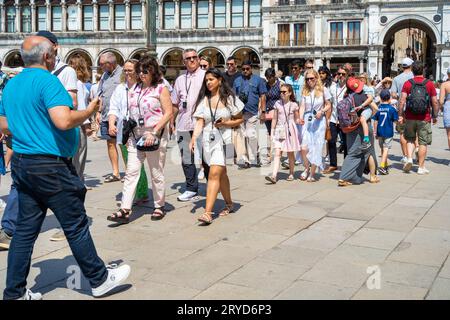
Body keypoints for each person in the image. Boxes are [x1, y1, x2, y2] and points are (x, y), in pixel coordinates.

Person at [0, 35, 130, 300]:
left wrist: (27, 131)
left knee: (24, 231)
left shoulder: (11, 85)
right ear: (48, 57)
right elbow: (64, 120)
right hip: (50, 166)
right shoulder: (49, 81)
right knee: (75, 224)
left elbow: (3, 124)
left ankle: (14, 293)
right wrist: (90, 110)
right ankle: (100, 279)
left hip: (24, 164)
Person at [108, 56, 173, 223]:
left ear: (153, 71)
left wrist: (155, 132)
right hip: (136, 135)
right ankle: (125, 208)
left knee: (156, 172)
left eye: (146, 70)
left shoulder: (160, 88)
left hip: (155, 134)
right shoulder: (134, 88)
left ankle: (159, 205)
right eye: (140, 71)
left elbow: (168, 113)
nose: (142, 74)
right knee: (131, 172)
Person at [190, 68, 244, 225]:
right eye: (206, 80)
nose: (208, 83)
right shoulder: (204, 99)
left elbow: (239, 119)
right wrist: (193, 138)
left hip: (224, 140)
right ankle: (229, 203)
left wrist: (226, 123)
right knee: (222, 174)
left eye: (211, 79)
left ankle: (207, 213)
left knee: (214, 173)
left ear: (220, 80)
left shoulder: (229, 98)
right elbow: (200, 121)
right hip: (207, 141)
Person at [108, 59, 149, 205]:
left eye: (130, 70)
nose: (127, 73)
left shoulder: (143, 87)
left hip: (141, 130)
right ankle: (138, 193)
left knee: (140, 163)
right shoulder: (120, 88)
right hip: (124, 131)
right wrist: (112, 123)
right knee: (130, 163)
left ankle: (143, 191)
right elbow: (113, 108)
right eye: (125, 70)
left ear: (137, 72)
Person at [171, 48, 206, 201]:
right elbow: (174, 103)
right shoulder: (179, 80)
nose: (192, 60)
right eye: (188, 58)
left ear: (198, 59)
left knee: (207, 156)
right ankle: (191, 188)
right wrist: (171, 121)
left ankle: (213, 183)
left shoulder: (206, 76)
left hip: (203, 124)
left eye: (194, 57)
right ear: (183, 62)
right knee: (186, 157)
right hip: (184, 123)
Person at [398, 61, 439, 174]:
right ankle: (421, 167)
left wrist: (401, 115)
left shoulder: (407, 83)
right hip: (424, 117)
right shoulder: (429, 83)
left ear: (412, 70)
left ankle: (410, 158)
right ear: (423, 70)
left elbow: (402, 101)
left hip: (410, 116)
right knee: (422, 142)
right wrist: (435, 116)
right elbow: (435, 102)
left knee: (410, 139)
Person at [338, 77, 379, 186]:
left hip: (350, 128)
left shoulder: (346, 97)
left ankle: (356, 177)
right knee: (361, 152)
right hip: (363, 128)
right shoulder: (362, 96)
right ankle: (345, 177)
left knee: (357, 151)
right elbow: (375, 109)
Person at [298, 69, 332, 182]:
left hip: (319, 121)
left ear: (316, 78)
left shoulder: (323, 90)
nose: (309, 81)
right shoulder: (305, 91)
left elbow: (328, 104)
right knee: (304, 148)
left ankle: (312, 173)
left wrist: (322, 111)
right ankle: (306, 168)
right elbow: (302, 106)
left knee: (316, 147)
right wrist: (300, 117)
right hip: (307, 120)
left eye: (311, 78)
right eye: (307, 79)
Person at [233, 60, 267, 168]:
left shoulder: (259, 80)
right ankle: (245, 160)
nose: (245, 71)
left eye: (247, 69)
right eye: (243, 69)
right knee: (242, 137)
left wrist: (263, 111)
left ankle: (255, 155)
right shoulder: (237, 80)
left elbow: (263, 96)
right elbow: (233, 96)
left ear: (251, 68)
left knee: (251, 135)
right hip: (240, 113)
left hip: (252, 112)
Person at [265, 84, 301, 183]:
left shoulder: (294, 105)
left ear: (289, 93)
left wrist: (299, 121)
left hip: (290, 130)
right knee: (277, 153)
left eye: (284, 92)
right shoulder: (277, 103)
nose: (282, 94)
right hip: (279, 129)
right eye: (280, 92)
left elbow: (297, 118)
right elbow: (275, 118)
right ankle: (274, 175)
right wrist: (272, 131)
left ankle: (291, 173)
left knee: (290, 153)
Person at [96, 51, 123, 183]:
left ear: (110, 63)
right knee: (110, 144)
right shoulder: (104, 76)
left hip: (120, 116)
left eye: (102, 64)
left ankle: (131, 172)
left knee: (124, 145)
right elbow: (101, 94)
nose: (100, 67)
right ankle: (116, 172)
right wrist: (98, 112)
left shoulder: (123, 74)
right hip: (106, 115)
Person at [68, 54, 91, 184]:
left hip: (71, 122)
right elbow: (81, 106)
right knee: (79, 156)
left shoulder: (69, 83)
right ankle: (78, 182)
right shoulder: (79, 84)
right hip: (79, 124)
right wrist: (87, 125)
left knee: (72, 156)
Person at [324, 66, 348, 174]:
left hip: (345, 120)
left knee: (346, 143)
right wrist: (327, 119)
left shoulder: (349, 87)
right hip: (334, 118)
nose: (341, 76)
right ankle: (333, 164)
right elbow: (329, 103)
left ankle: (347, 165)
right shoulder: (332, 87)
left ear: (347, 74)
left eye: (343, 74)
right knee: (331, 141)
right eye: (339, 74)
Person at [391, 57, 414, 163]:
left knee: (402, 133)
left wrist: (401, 95)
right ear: (411, 66)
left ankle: (405, 155)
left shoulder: (396, 79)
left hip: (402, 108)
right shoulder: (415, 77)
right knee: (416, 132)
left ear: (402, 66)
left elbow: (393, 94)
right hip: (415, 109)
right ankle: (415, 151)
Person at [372, 89, 399, 175]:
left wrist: (375, 132)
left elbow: (375, 121)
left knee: (382, 149)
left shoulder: (378, 108)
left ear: (380, 98)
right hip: (388, 132)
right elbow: (395, 121)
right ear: (390, 98)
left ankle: (385, 165)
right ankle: (382, 166)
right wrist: (400, 121)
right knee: (386, 148)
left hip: (380, 131)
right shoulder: (392, 109)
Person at [264, 68, 282, 162]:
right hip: (268, 112)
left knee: (276, 132)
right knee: (270, 133)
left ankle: (275, 153)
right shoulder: (265, 85)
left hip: (278, 112)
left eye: (270, 77)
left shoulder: (280, 84)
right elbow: (263, 98)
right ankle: (271, 153)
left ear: (274, 76)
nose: (269, 79)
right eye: (267, 77)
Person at [356, 72, 375, 150]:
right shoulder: (358, 87)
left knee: (362, 119)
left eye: (362, 78)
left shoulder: (368, 88)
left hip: (367, 108)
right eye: (359, 78)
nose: (360, 79)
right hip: (360, 109)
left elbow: (370, 99)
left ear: (366, 79)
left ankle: (366, 140)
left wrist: (361, 105)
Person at [440, 67, 450, 150]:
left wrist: (441, 108)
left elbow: (441, 101)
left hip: (448, 107)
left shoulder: (444, 85)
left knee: (449, 135)